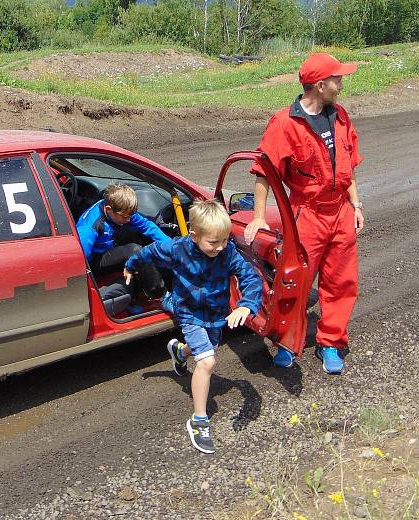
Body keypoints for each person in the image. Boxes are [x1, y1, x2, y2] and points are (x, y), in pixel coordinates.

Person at [243, 52, 364, 375]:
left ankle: (331, 342)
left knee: (341, 282)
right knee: (295, 282)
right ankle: (286, 342)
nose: (341, 83)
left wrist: (356, 203)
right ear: (320, 85)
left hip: (340, 210)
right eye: (337, 79)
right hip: (306, 215)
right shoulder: (284, 124)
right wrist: (257, 217)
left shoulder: (340, 117)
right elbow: (263, 174)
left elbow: (349, 165)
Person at [123, 200, 262, 453]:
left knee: (206, 348)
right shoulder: (177, 249)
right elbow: (149, 252)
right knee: (207, 361)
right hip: (188, 313)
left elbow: (250, 277)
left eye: (224, 240)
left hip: (216, 314)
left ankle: (179, 352)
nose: (220, 247)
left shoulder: (227, 252)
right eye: (213, 242)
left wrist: (246, 305)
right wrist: (130, 266)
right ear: (195, 235)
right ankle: (199, 420)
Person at [77, 183, 172, 309]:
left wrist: (171, 246)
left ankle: (136, 296)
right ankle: (161, 296)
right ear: (109, 209)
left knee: (136, 234)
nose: (128, 219)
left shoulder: (120, 209)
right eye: (125, 217)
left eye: (130, 216)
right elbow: (82, 261)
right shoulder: (89, 228)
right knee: (135, 250)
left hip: (110, 245)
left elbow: (147, 226)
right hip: (94, 261)